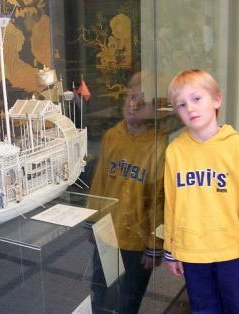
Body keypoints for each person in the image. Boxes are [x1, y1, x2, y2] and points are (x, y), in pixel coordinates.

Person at [163, 69, 239, 314]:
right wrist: (171, 248)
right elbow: (171, 203)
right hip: (192, 250)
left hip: (230, 249)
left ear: (216, 100)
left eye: (197, 99)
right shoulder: (175, 151)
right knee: (203, 308)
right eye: (181, 104)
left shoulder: (236, 146)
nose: (190, 108)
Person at [87, 72, 167, 314]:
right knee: (102, 293)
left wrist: (155, 244)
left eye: (142, 101)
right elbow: (100, 180)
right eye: (131, 97)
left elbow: (161, 200)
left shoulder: (159, 145)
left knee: (128, 299)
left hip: (137, 242)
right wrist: (92, 220)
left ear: (156, 109)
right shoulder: (112, 136)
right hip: (108, 233)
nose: (133, 105)